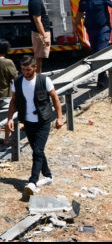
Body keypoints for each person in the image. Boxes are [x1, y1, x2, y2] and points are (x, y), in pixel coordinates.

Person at [4, 56, 64, 197]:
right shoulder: (17, 82)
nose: (26, 72)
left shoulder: (44, 80)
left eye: (28, 69)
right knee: (38, 151)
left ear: (35, 67)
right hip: (28, 122)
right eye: (23, 69)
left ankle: (32, 181)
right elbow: (13, 102)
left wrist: (60, 118)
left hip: (43, 121)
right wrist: (9, 119)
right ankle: (48, 176)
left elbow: (55, 99)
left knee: (37, 151)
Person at [75, 0, 112, 88]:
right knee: (94, 53)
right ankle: (104, 75)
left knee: (100, 52)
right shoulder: (83, 0)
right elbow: (79, 15)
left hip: (103, 29)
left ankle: (102, 78)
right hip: (91, 31)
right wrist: (75, 28)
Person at [28, 0, 52, 73]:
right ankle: (36, 78)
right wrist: (44, 35)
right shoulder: (35, 2)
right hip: (39, 33)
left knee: (40, 57)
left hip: (41, 33)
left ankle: (37, 76)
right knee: (38, 57)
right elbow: (37, 21)